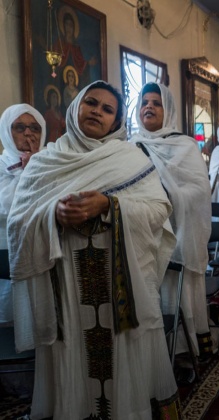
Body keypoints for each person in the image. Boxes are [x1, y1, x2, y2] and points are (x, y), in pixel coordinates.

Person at [7, 81, 180, 418]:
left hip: (120, 284)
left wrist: (109, 205)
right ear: (76, 108)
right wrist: (52, 215)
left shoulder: (131, 159)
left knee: (119, 354)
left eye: (107, 109)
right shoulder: (46, 162)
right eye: (91, 103)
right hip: (66, 286)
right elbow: (19, 222)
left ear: (116, 122)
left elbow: (160, 211)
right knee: (75, 351)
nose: (97, 111)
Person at [130, 82, 213, 362]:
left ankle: (181, 348)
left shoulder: (184, 146)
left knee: (176, 289)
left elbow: (200, 191)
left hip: (178, 233)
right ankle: (153, 354)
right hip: (142, 234)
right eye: (145, 102)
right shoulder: (129, 147)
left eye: (157, 103)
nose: (149, 107)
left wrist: (169, 194)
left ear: (169, 110)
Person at [0, 104, 45, 325]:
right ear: (6, 132)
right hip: (5, 252)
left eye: (35, 128)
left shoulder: (52, 164)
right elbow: (7, 207)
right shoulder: (1, 166)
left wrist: (39, 167)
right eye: (19, 127)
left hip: (42, 252)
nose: (28, 133)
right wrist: (28, 173)